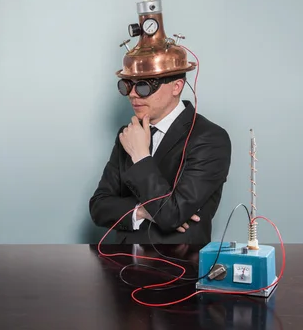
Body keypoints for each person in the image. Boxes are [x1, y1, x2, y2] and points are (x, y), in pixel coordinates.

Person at [89, 71, 231, 244]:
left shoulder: (210, 138)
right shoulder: (129, 134)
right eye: (127, 85)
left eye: (143, 86)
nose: (132, 94)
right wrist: (140, 211)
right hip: (121, 263)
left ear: (176, 86)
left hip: (179, 264)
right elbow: (99, 207)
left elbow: (172, 215)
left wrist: (141, 157)